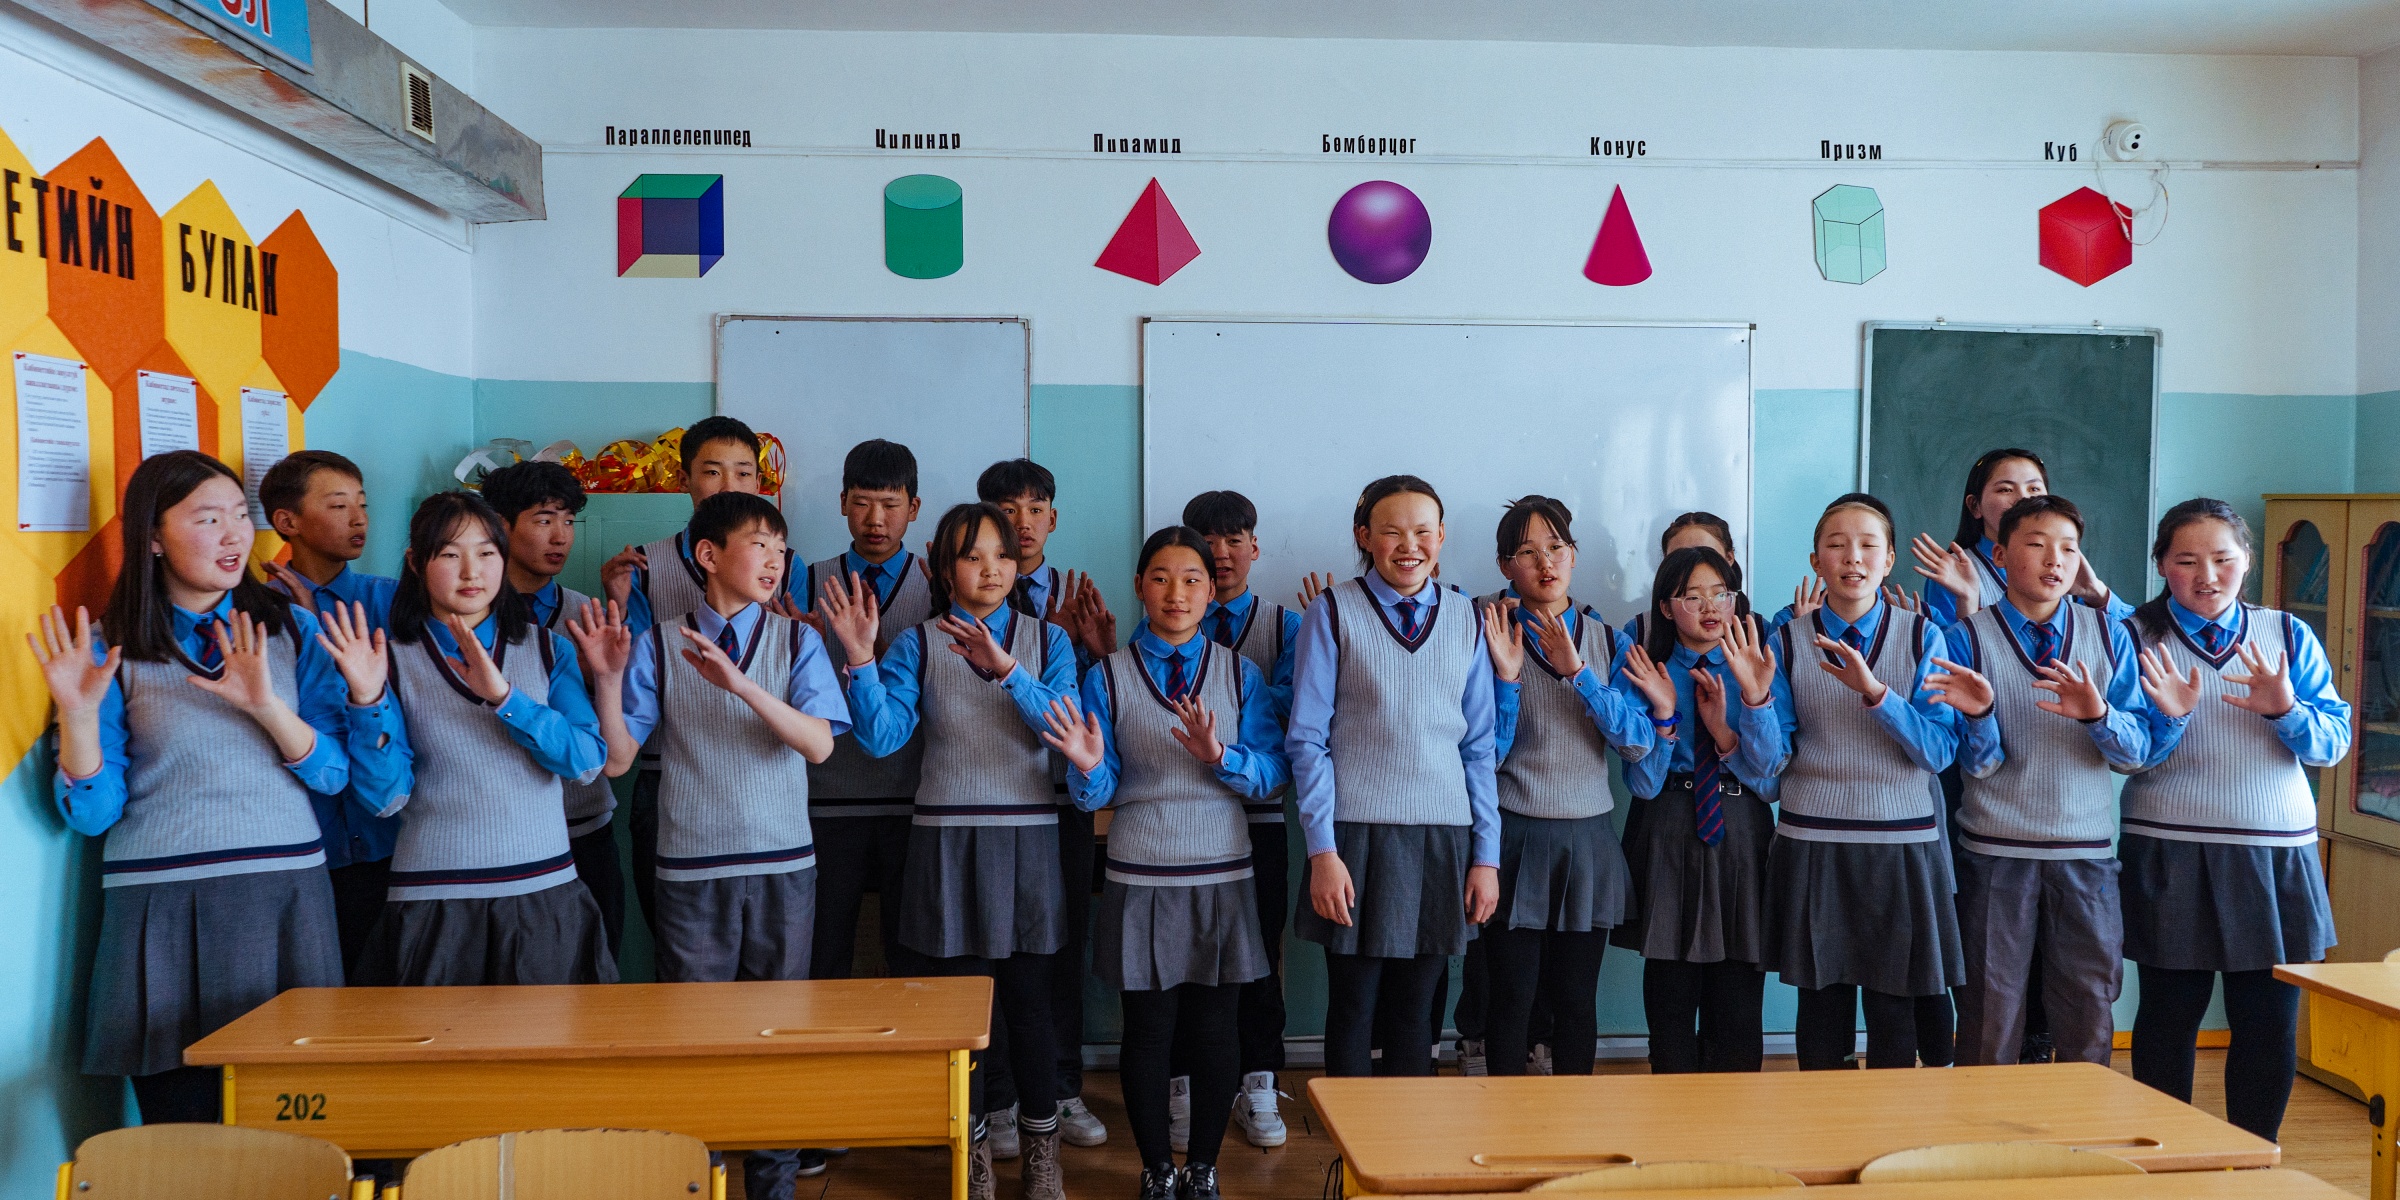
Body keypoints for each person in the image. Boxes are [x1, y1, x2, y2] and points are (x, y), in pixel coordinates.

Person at [35, 450, 377, 1122]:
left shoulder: (292, 630)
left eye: (238, 517)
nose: (233, 535)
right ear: (153, 538)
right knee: (183, 1130)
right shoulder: (106, 649)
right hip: (160, 901)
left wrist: (267, 708)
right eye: (206, 519)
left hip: (284, 893)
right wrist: (77, 716)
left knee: (298, 1125)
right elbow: (93, 815)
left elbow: (335, 774)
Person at [573, 490, 847, 1196]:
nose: (775, 561)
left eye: (781, 549)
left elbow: (819, 745)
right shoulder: (660, 642)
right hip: (692, 869)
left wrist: (741, 686)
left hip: (783, 865)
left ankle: (774, 1183)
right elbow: (617, 760)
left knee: (777, 1034)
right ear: (708, 554)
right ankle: (703, 1177)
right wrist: (607, 681)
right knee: (696, 1037)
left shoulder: (797, 640)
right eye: (760, 545)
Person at [821, 501, 1080, 1200]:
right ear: (944, 568)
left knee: (1031, 1007)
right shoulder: (917, 643)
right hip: (946, 841)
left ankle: (1043, 1156)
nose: (991, 569)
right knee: (961, 1017)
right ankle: (975, 1157)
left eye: (1002, 555)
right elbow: (881, 739)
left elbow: (1062, 730)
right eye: (972, 556)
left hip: (1028, 841)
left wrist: (1008, 671)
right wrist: (860, 657)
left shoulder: (1048, 640)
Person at [1043, 525, 1289, 1200]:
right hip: (1140, 873)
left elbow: (1272, 774)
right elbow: (1098, 789)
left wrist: (1220, 757)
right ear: (1139, 586)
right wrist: (1086, 765)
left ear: (1211, 591)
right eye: (1160, 578)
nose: (1175, 593)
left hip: (1223, 874)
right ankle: (1156, 1169)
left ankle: (1203, 1167)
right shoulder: (1106, 676)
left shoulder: (1241, 674)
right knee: (1148, 1032)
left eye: (1191, 580)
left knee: (1216, 1030)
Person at [2120, 498, 2349, 1142]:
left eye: (2222, 559)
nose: (2207, 576)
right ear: (2161, 564)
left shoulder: (2287, 634)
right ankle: (2166, 1158)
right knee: (2168, 1018)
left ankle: (2253, 1160)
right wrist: (2171, 719)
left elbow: (2332, 743)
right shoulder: (2135, 637)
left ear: (2247, 561)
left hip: (2275, 852)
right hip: (2169, 846)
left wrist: (2285, 711)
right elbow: (2121, 752)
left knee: (2268, 1021)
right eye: (2186, 560)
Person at [1921, 494, 2173, 1066]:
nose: (2054, 560)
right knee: (1988, 1017)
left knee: (2088, 1013)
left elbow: (2134, 755)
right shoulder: (1963, 639)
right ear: (2000, 554)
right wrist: (1982, 715)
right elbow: (1976, 765)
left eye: (2068, 548)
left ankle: (2081, 1126)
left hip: (2085, 857)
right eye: (2036, 545)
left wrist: (2098, 715)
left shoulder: (2109, 635)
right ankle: (1983, 1127)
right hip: (1995, 855)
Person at [340, 491, 615, 988]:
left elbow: (587, 762)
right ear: (416, 563)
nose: (472, 572)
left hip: (543, 887)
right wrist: (367, 699)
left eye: (487, 553)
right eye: (450, 554)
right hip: (433, 897)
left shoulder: (547, 649)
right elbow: (385, 799)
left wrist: (507, 698)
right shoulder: (386, 661)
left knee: (552, 1035)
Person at [1287, 475, 1500, 1079]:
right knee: (1354, 1006)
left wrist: (1486, 857)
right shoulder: (1332, 612)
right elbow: (1307, 741)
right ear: (1364, 537)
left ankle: (1408, 1137)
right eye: (1391, 532)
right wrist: (1323, 852)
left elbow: (1479, 747)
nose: (1409, 546)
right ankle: (1349, 1141)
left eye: (1423, 531)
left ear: (1441, 536)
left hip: (1442, 840)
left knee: (1416, 1014)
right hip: (1356, 839)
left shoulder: (1466, 618)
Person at [1759, 494, 1966, 1070]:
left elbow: (1938, 751)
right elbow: (1771, 762)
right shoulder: (1786, 641)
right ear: (1815, 561)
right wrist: (1752, 703)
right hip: (1812, 840)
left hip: (1900, 842)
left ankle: (1889, 1124)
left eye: (1868, 545)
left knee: (1894, 1010)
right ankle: (1824, 1124)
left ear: (1889, 559)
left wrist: (1876, 694)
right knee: (1820, 1010)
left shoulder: (1923, 637)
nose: (1853, 557)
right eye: (1836, 545)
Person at [1478, 496, 1662, 1079]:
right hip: (1512, 835)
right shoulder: (1486, 635)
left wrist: (1578, 673)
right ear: (1505, 566)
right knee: (1511, 998)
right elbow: (1484, 753)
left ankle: (1574, 1118)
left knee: (1577, 1001)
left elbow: (1638, 743)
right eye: (1527, 552)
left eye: (1556, 548)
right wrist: (1507, 678)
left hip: (1586, 840)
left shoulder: (1608, 641)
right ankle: (1506, 1117)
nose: (1545, 563)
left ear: (1574, 555)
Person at [977, 457, 1114, 1150]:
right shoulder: (966, 589)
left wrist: (1092, 651)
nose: (1021, 523)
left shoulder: (1075, 597)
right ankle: (999, 1095)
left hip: (1062, 799)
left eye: (1034, 509)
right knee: (994, 953)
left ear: (1053, 519)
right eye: (1007, 510)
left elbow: (1100, 703)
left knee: (1060, 948)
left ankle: (1061, 1087)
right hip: (991, 795)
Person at [600, 415, 776, 937]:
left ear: (760, 482)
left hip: (758, 774)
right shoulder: (644, 565)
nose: (729, 486)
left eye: (743, 473)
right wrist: (618, 602)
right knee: (678, 941)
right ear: (684, 480)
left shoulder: (781, 563)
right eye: (712, 472)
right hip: (667, 771)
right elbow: (629, 671)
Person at [1616, 547, 1788, 1073]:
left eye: (1721, 593)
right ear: (1666, 608)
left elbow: (1770, 779)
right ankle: (1671, 1117)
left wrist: (1738, 718)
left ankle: (1736, 1117)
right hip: (1667, 824)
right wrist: (1665, 715)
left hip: (1741, 829)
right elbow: (1642, 784)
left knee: (1737, 1008)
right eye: (1692, 596)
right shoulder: (1645, 669)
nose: (1710, 607)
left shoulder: (1758, 663)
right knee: (1670, 1001)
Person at [1166, 489, 1302, 1149]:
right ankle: (1187, 1084)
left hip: (1259, 817)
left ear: (1254, 546)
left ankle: (1258, 1082)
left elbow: (1292, 715)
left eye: (1233, 539)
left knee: (1258, 958)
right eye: (1207, 540)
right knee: (1185, 961)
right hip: (1182, 821)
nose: (1220, 553)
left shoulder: (1286, 625)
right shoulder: (1165, 620)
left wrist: (1240, 705)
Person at [258, 449, 401, 970]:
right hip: (304, 840)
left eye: (363, 505)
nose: (359, 519)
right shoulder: (258, 611)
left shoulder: (391, 599)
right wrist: (303, 626)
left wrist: (317, 624)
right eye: (339, 506)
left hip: (391, 833)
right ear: (287, 522)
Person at [480, 459, 626, 955]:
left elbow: (615, 728)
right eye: (544, 520)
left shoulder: (590, 616)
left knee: (596, 968)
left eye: (568, 521)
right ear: (501, 525)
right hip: (499, 834)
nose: (561, 536)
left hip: (583, 826)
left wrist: (598, 676)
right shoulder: (469, 616)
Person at [804, 439, 933, 982]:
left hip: (913, 800)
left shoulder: (939, 583)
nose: (875, 519)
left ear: (914, 508)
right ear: (842, 503)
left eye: (890, 504)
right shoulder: (806, 579)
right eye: (861, 503)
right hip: (827, 799)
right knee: (825, 948)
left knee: (910, 954)